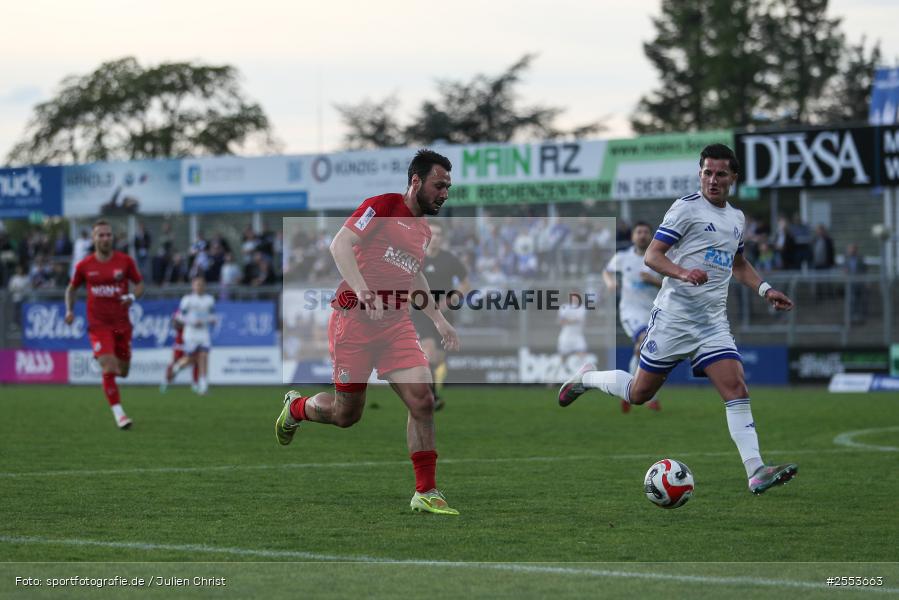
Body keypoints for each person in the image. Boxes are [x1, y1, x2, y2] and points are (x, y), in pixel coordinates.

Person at [558, 144, 798, 495]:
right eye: (707, 172)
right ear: (699, 173)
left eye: (720, 174)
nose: (712, 180)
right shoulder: (686, 209)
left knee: (736, 387)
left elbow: (738, 264)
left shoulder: (736, 218)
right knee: (639, 394)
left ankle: (756, 470)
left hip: (712, 322)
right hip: (674, 318)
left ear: (733, 178)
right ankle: (587, 378)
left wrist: (765, 290)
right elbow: (653, 257)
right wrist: (683, 272)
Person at [275, 149, 461, 515]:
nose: (444, 193)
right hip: (354, 321)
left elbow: (414, 274)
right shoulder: (381, 206)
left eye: (448, 187)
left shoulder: (422, 230)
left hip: (395, 324)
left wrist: (438, 319)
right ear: (416, 181)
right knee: (347, 416)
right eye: (439, 185)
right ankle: (295, 407)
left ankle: (426, 491)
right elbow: (340, 244)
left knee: (422, 400)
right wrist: (363, 291)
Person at [65, 219, 144, 430]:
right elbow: (71, 289)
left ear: (113, 238)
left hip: (121, 325)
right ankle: (120, 414)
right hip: (98, 325)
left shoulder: (125, 261)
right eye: (101, 235)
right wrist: (70, 310)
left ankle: (106, 367)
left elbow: (140, 284)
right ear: (94, 238)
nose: (105, 238)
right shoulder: (84, 265)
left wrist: (132, 297)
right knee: (109, 366)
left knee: (123, 370)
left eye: (108, 235)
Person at [602, 221, 662, 413]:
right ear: (632, 237)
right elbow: (606, 271)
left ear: (651, 236)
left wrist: (654, 281)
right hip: (631, 312)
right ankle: (641, 394)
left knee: (646, 352)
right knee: (643, 343)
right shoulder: (623, 257)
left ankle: (632, 391)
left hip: (656, 313)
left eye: (646, 232)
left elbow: (672, 286)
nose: (642, 235)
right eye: (639, 232)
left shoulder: (660, 258)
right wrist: (610, 283)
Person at [410, 221, 469, 410]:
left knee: (437, 358)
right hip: (421, 314)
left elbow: (466, 284)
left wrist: (450, 300)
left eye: (438, 235)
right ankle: (429, 396)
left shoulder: (449, 259)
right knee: (428, 349)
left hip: (444, 316)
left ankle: (427, 390)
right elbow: (406, 284)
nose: (434, 239)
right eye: (431, 234)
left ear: (442, 239)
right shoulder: (416, 258)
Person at [173, 276, 216, 395]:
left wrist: (212, 320)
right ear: (193, 286)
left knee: (204, 356)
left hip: (204, 333)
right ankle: (178, 366)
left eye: (201, 284)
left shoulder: (209, 299)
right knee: (192, 359)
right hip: (191, 333)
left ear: (205, 286)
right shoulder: (187, 300)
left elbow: (212, 315)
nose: (199, 287)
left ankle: (203, 386)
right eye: (197, 284)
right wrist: (192, 322)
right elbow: (180, 316)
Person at [159, 309, 199, 394]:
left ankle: (195, 384)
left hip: (191, 342)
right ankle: (166, 382)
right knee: (175, 363)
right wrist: (183, 323)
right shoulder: (180, 311)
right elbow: (174, 324)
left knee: (196, 362)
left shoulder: (195, 311)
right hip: (180, 343)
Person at [556, 291, 589, 369]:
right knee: (561, 359)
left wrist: (569, 320)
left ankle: (583, 374)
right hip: (566, 336)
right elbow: (561, 321)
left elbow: (581, 320)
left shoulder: (582, 308)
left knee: (583, 356)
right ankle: (555, 376)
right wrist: (574, 320)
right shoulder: (564, 307)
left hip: (577, 336)